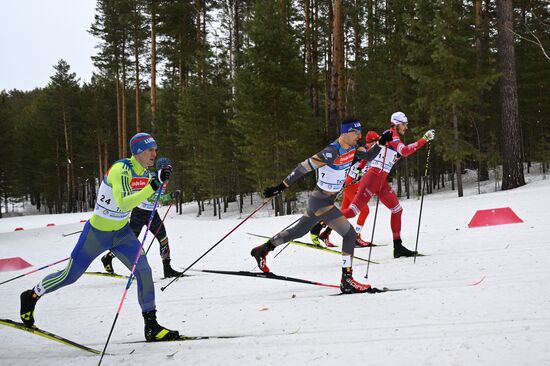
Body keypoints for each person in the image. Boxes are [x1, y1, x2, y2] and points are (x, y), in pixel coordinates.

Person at [19, 133, 180, 342]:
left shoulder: (147, 174)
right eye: (151, 150)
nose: (154, 154)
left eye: (155, 150)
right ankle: (32, 295)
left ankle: (151, 326)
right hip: (96, 234)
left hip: (122, 234)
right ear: (139, 151)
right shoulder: (121, 169)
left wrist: (162, 183)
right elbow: (123, 203)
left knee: (144, 270)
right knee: (70, 275)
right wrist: (154, 185)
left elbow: (151, 197)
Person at [250, 119, 392, 294]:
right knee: (349, 234)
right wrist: (280, 187)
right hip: (321, 201)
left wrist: (380, 143)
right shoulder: (331, 152)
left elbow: (369, 156)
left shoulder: (354, 148)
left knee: (298, 231)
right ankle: (347, 279)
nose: (360, 136)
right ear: (346, 132)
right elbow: (302, 168)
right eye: (356, 133)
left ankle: (262, 250)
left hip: (325, 201)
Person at [340, 112, 435, 258]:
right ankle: (320, 220)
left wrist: (360, 168)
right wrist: (424, 139)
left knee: (397, 210)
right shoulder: (392, 134)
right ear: (397, 123)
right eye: (405, 124)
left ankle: (398, 247)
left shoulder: (391, 136)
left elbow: (391, 153)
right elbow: (404, 150)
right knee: (352, 211)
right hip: (372, 178)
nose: (406, 127)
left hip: (380, 180)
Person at [101, 157, 183, 278]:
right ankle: (107, 257)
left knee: (163, 239)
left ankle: (167, 269)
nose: (169, 171)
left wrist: (169, 196)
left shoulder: (165, 180)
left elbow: (156, 198)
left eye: (170, 168)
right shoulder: (152, 178)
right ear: (161, 169)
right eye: (167, 169)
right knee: (129, 242)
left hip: (152, 213)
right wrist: (170, 196)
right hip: (139, 212)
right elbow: (151, 197)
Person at [310, 131, 381, 248]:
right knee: (364, 210)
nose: (377, 145)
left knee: (343, 213)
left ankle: (325, 233)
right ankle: (356, 237)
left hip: (353, 183)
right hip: (351, 184)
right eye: (375, 143)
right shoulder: (363, 152)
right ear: (370, 142)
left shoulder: (373, 153)